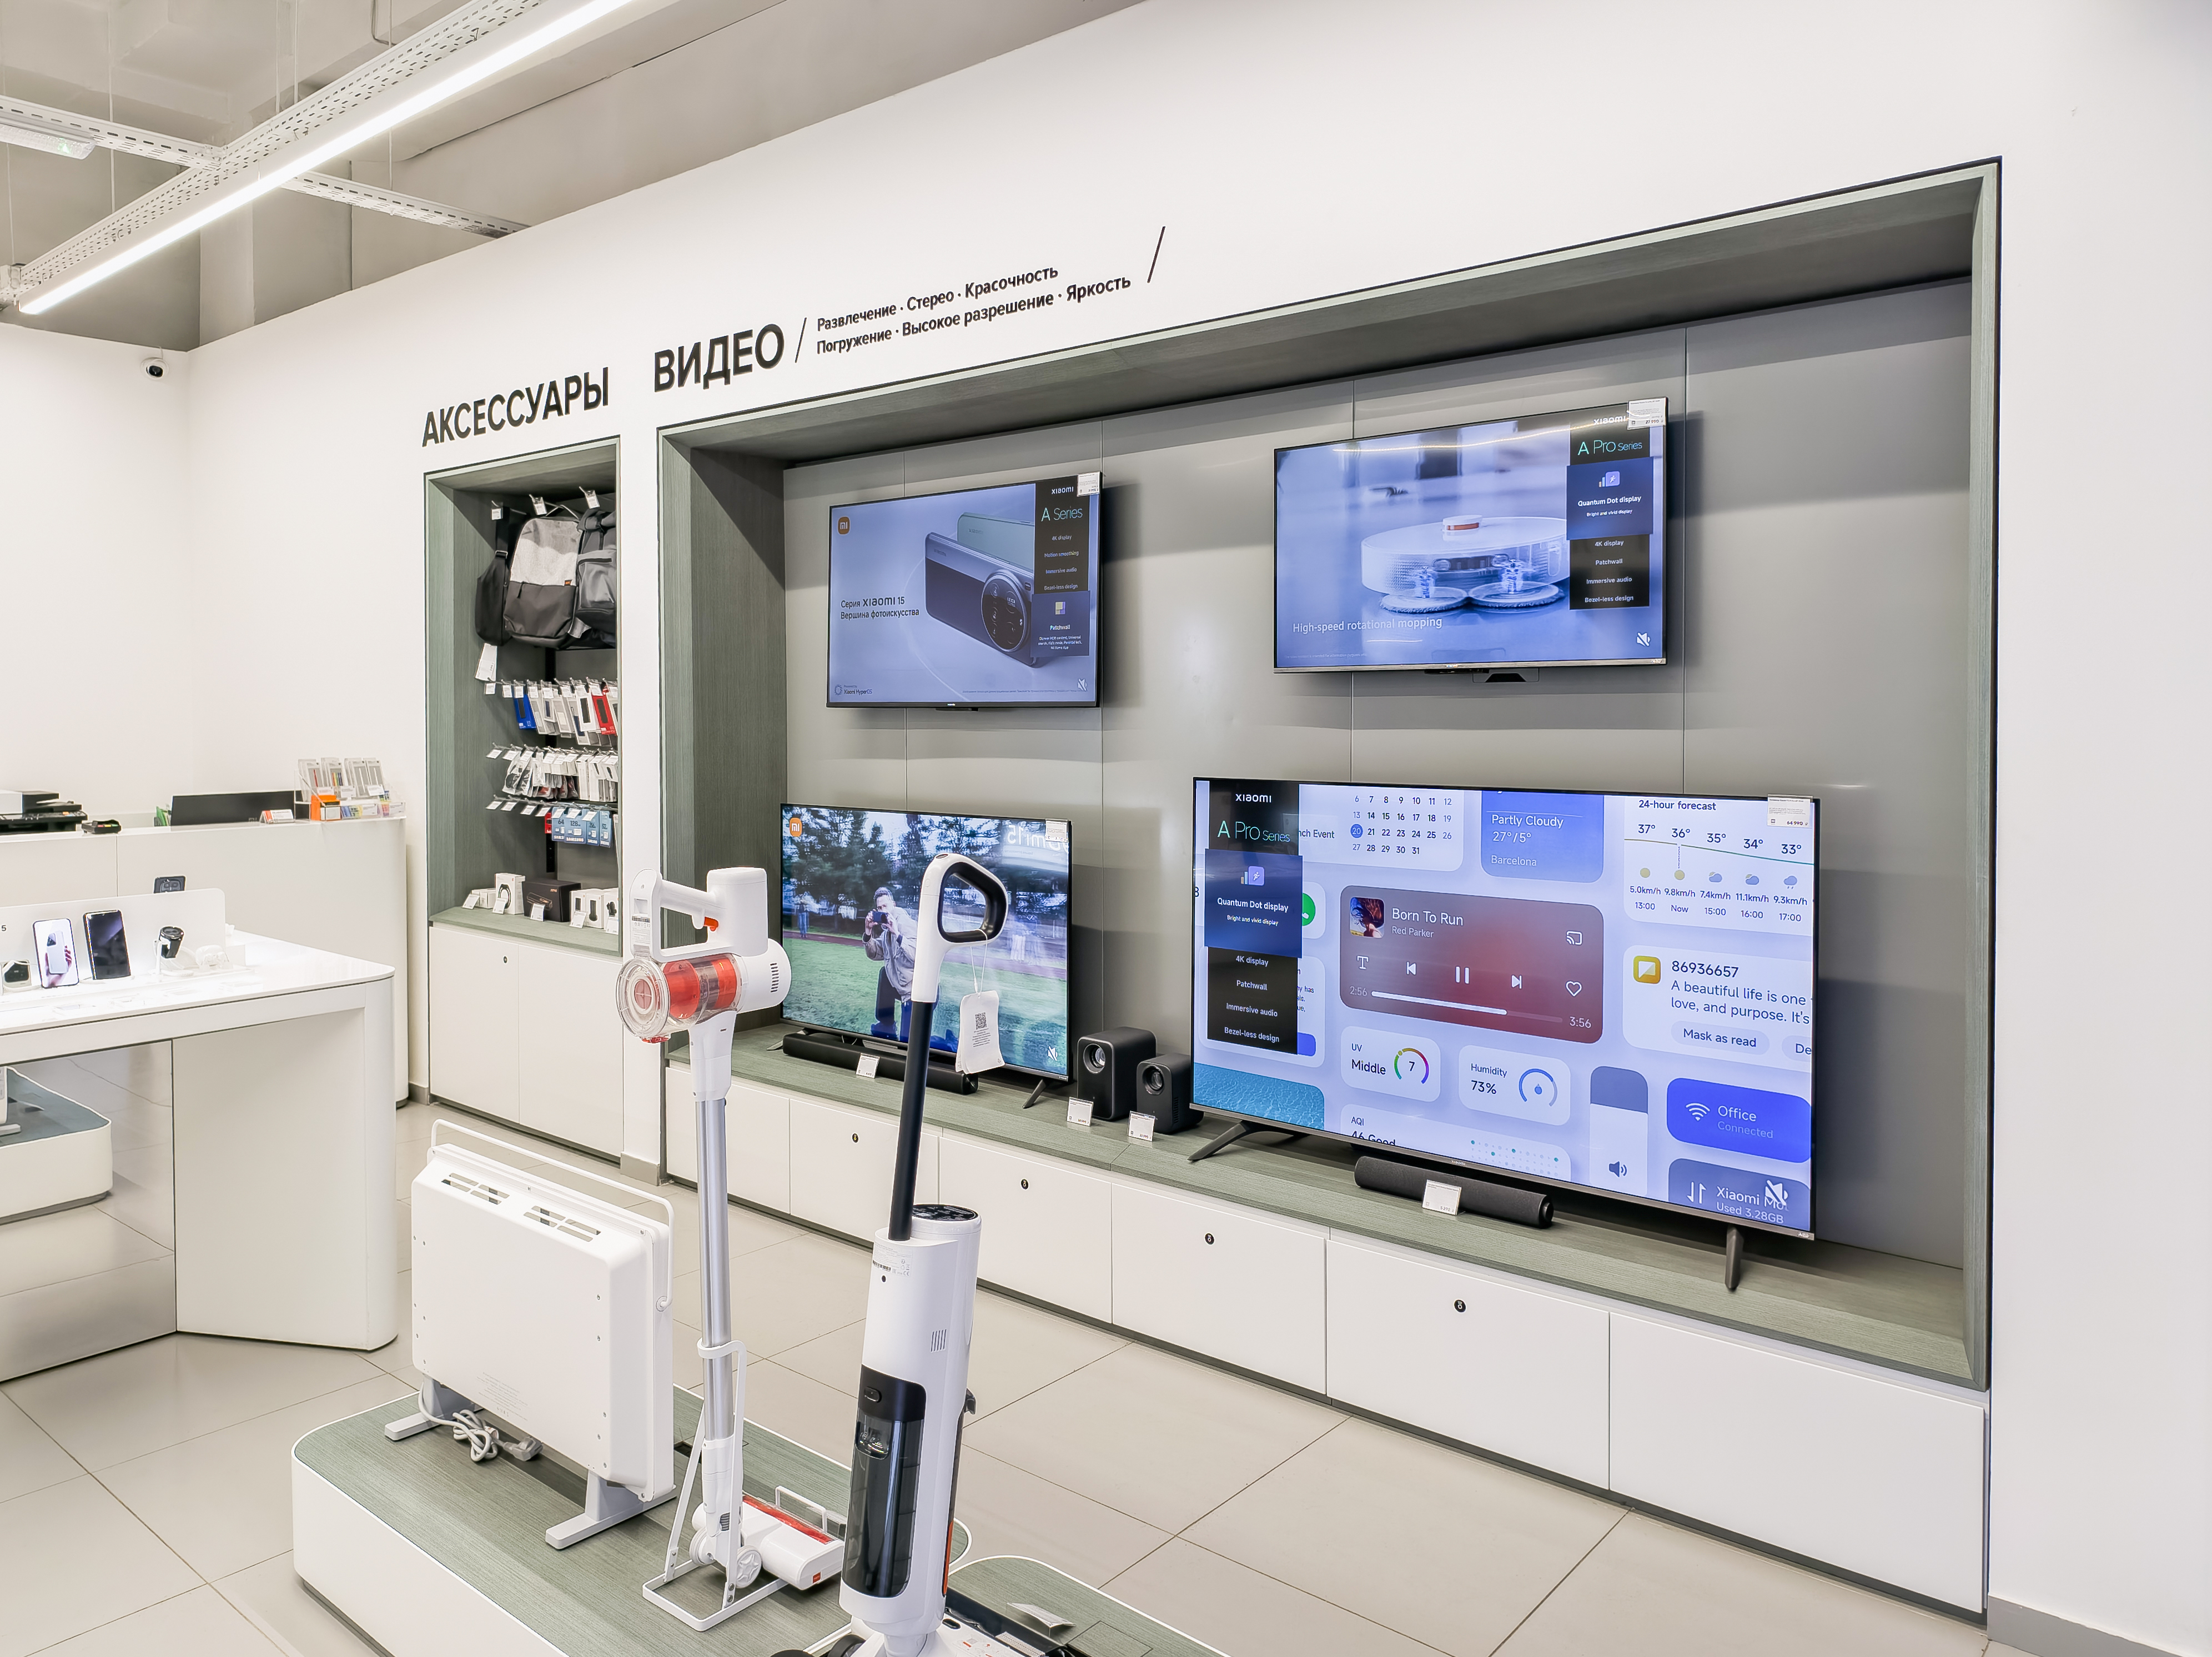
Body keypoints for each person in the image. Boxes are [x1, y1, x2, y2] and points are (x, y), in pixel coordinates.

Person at [863, 886, 917, 1041]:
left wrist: (897, 934)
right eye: (879, 908)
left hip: (917, 992)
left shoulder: (905, 923)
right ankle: (886, 1025)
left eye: (885, 906)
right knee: (884, 973)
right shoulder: (887, 931)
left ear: (893, 904)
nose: (883, 910)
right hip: (901, 987)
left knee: (907, 1041)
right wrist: (868, 932)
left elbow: (918, 955)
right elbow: (875, 953)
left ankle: (950, 1043)